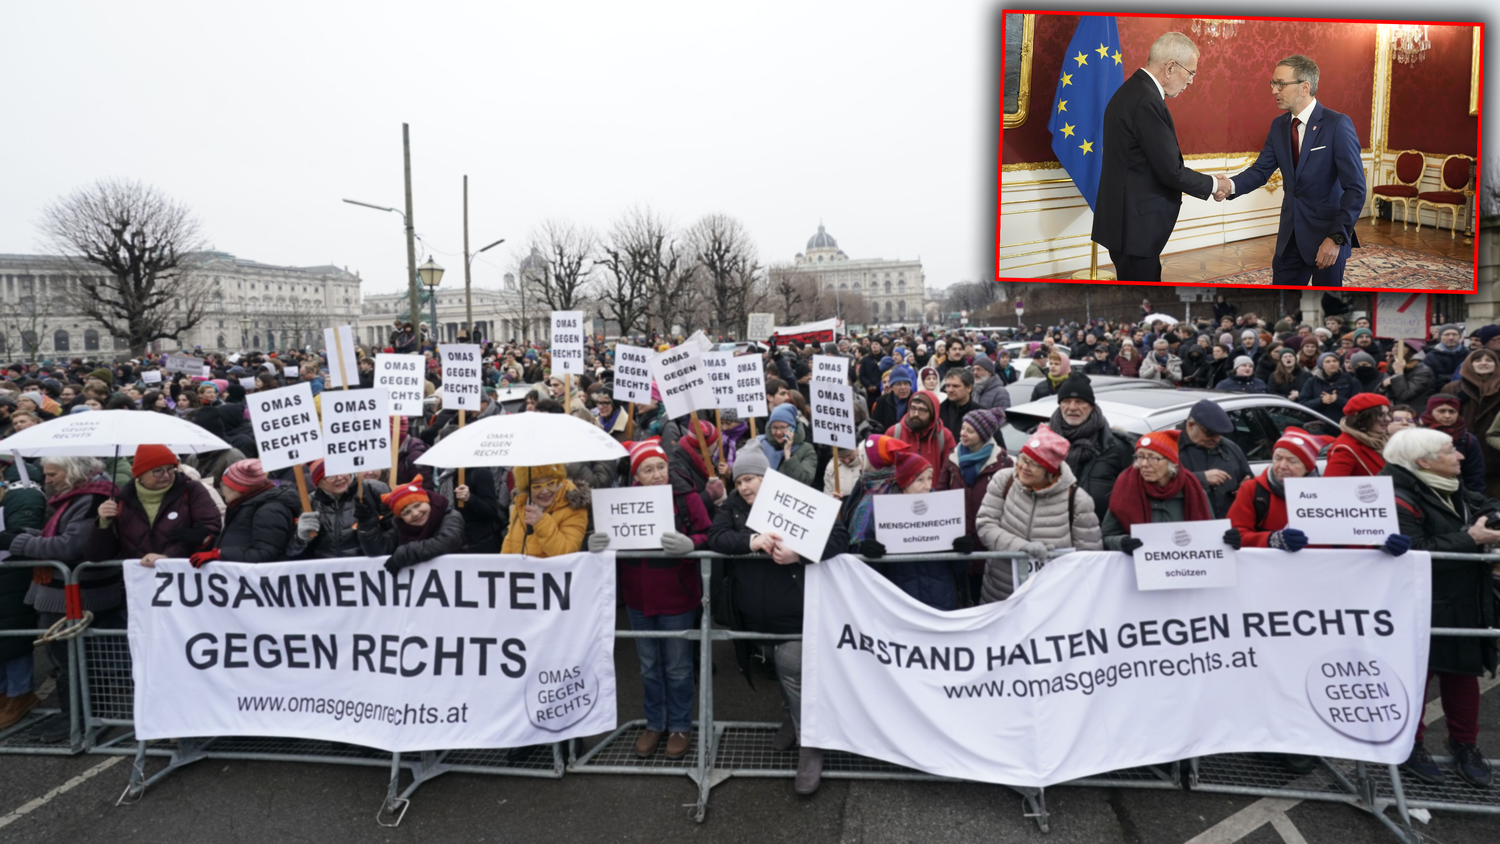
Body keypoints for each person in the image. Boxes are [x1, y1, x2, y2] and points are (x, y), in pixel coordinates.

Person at [708, 448, 849, 796]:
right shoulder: (733, 506)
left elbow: (839, 537)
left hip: (794, 612)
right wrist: (751, 541)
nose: (743, 487)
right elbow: (716, 537)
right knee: (778, 669)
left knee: (793, 673)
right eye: (739, 481)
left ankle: (810, 746)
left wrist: (799, 554)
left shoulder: (796, 497)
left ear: (767, 477)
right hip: (752, 616)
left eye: (750, 479)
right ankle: (790, 716)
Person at [1381, 427, 1497, 788]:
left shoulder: (1447, 485)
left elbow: (1484, 503)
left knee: (1463, 674)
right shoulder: (1393, 496)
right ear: (1424, 461)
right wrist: (1470, 538)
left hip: (1463, 598)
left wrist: (1491, 518)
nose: (1460, 456)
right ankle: (1409, 745)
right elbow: (1415, 550)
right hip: (1417, 603)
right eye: (1450, 451)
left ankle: (1465, 745)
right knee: (1416, 677)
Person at [586, 439, 711, 760]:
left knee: (678, 667)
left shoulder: (686, 497)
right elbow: (609, 539)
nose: (657, 474)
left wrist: (692, 544)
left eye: (661, 466)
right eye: (648, 469)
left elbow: (710, 534)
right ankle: (655, 724)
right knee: (649, 667)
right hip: (637, 598)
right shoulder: (619, 503)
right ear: (636, 475)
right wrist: (595, 542)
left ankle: (680, 725)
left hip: (677, 596)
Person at [1217, 56, 1366, 285]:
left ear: (1305, 87)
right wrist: (1230, 185)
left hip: (1327, 238)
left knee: (1326, 303)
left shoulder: (1337, 124)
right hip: (1289, 238)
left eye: (1281, 84)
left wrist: (1336, 238)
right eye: (1273, 83)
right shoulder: (1278, 125)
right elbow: (1260, 170)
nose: (1274, 90)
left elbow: (1355, 189)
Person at [5, 456, 118, 742]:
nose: (47, 480)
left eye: (53, 474)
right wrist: (27, 534)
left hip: (76, 593)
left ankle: (80, 717)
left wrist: (16, 542)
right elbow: (61, 535)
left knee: (72, 660)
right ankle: (74, 714)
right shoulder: (78, 495)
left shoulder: (91, 498)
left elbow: (70, 546)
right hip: (66, 590)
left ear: (75, 472)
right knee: (67, 659)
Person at [1092, 32, 1217, 281]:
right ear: (1170, 67)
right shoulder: (1146, 100)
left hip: (1126, 224)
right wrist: (1214, 184)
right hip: (1135, 229)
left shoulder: (1132, 90)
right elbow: (1171, 172)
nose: (1191, 81)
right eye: (1191, 72)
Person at [974, 424, 1102, 602]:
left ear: (1050, 471)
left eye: (1034, 464)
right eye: (1023, 458)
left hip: (1052, 597)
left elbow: (1089, 556)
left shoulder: (1077, 500)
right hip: (1001, 589)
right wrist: (1021, 547)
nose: (1024, 467)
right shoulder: (1004, 480)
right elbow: (985, 525)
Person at [854, 452, 970, 610]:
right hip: (899, 600)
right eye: (920, 480)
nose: (928, 486)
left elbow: (958, 568)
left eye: (929, 478)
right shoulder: (882, 511)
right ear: (904, 482)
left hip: (940, 598)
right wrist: (869, 552)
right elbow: (871, 571)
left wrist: (962, 551)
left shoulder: (943, 509)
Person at [86, 445, 222, 566]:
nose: (166, 475)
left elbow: (208, 530)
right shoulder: (122, 500)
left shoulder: (191, 490)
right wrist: (103, 523)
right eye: (158, 471)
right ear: (140, 474)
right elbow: (97, 555)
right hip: (138, 578)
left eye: (170, 469)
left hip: (184, 575)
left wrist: (168, 557)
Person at [934, 409, 1012, 604]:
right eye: (963, 428)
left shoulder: (1003, 462)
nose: (963, 433)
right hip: (958, 542)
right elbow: (940, 495)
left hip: (988, 545)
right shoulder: (952, 459)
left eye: (970, 431)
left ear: (983, 435)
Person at [1100, 431, 1216, 552]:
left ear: (1171, 461)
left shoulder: (1193, 491)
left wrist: (1225, 538)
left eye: (1153, 458)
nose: (1144, 464)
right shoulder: (1125, 490)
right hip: (1142, 562)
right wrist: (1121, 543)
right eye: (1140, 457)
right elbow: (1107, 536)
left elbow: (1210, 532)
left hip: (1185, 561)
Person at [1045, 375, 1134, 520]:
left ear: (1091, 406)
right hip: (1050, 525)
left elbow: (1131, 499)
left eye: (1080, 401)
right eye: (1066, 401)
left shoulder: (1116, 446)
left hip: (1098, 528)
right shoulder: (1044, 441)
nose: (1072, 407)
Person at [0, 463, 47, 728]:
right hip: (9, 572)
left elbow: (21, 533)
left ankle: (19, 694)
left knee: (13, 635)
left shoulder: (21, 493)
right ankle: (7, 693)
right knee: (7, 635)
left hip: (11, 574)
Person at [188, 459, 301, 566]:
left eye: (224, 484)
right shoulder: (245, 504)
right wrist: (207, 541)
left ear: (239, 488)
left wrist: (219, 554)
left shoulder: (269, 511)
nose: (222, 489)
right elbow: (239, 542)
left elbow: (266, 554)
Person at [1227, 427, 1322, 551]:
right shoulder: (1252, 489)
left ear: (1308, 468)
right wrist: (1271, 540)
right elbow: (1233, 535)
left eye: (1292, 461)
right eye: (1278, 458)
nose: (1282, 466)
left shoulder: (1324, 493)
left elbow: (1337, 541)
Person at [355, 476, 464, 574]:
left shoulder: (450, 515)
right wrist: (367, 524)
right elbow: (379, 551)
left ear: (427, 501)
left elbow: (449, 541)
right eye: (406, 512)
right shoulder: (400, 526)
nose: (415, 514)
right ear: (400, 517)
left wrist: (405, 553)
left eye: (417, 505)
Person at [288, 459, 391, 559]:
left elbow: (394, 535)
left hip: (369, 568)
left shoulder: (373, 489)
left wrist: (369, 525)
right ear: (318, 483)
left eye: (342, 470)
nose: (340, 478)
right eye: (330, 476)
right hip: (329, 569)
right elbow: (293, 554)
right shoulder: (310, 503)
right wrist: (301, 538)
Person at [1176, 400, 1253, 519]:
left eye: (1220, 434)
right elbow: (1160, 485)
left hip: (1228, 524)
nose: (1216, 439)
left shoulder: (1231, 448)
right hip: (1188, 525)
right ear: (1190, 426)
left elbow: (1249, 480)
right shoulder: (1169, 448)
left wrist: (1246, 488)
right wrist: (1201, 478)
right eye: (1210, 434)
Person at [1442, 349, 1500, 498]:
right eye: (1478, 360)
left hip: (1494, 450)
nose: (1483, 363)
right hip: (1462, 447)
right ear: (1469, 364)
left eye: (1489, 360)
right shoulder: (1453, 388)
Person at [499, 464, 589, 557]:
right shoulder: (521, 503)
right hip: (521, 566)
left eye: (550, 483)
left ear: (558, 482)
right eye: (537, 486)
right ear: (527, 489)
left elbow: (566, 552)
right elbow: (509, 543)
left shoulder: (572, 505)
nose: (545, 491)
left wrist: (541, 523)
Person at [1421, 396, 1487, 494]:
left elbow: (1475, 474)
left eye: (1452, 411)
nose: (1447, 416)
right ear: (1430, 412)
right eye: (1441, 411)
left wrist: (1474, 499)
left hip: (1457, 491)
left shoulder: (1467, 439)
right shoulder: (1417, 436)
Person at [1323, 393, 1391, 478]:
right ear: (1363, 417)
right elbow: (1333, 484)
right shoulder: (1345, 448)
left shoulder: (1384, 440)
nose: (1388, 419)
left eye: (1388, 414)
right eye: (1381, 415)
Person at [887, 389, 953, 471]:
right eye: (913, 408)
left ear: (932, 414)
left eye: (922, 410)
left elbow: (950, 471)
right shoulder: (894, 432)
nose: (916, 414)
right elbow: (885, 469)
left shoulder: (944, 436)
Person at [1299, 352, 1358, 421]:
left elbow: (1358, 404)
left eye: (1335, 361)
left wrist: (1338, 399)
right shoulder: (1312, 381)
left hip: (1344, 422)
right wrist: (1321, 401)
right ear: (1321, 365)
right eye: (1328, 362)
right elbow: (1302, 404)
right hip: (1318, 423)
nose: (1332, 364)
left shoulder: (1351, 380)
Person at [938, 368, 977, 440]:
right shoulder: (937, 411)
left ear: (969, 388)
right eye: (948, 386)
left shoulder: (981, 414)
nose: (950, 390)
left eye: (955, 386)